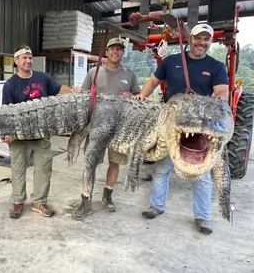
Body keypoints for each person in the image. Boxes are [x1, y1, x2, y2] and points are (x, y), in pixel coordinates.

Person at [132, 23, 228, 235]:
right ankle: (156, 206)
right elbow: (153, 81)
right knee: (162, 167)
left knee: (201, 174)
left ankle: (202, 217)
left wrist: (215, 105)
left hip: (200, 127)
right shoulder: (172, 61)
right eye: (198, 38)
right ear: (190, 39)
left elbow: (222, 93)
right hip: (173, 124)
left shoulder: (216, 66)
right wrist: (142, 95)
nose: (202, 43)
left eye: (206, 39)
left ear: (210, 42)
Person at [2, 44, 79, 219]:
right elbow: (5, 113)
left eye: (30, 58)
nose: (28, 60)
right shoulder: (10, 85)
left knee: (44, 169)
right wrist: (7, 134)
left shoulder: (42, 78)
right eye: (24, 58)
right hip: (19, 138)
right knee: (18, 170)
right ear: (16, 60)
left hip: (41, 135)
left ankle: (39, 201)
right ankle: (17, 202)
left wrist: (74, 91)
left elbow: (59, 89)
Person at [72, 37, 141, 220]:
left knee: (115, 162)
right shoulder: (94, 72)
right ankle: (86, 199)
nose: (115, 52)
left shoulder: (130, 75)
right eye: (112, 49)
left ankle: (107, 195)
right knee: (90, 163)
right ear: (107, 52)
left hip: (120, 128)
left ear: (123, 53)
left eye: (119, 49)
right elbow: (84, 97)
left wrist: (132, 95)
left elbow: (138, 97)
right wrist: (78, 92)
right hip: (96, 127)